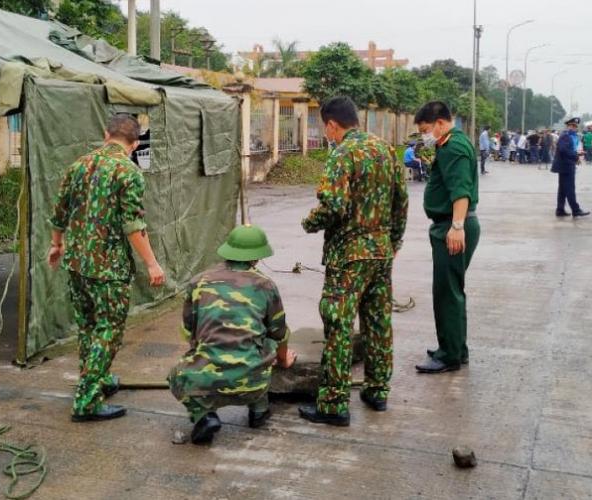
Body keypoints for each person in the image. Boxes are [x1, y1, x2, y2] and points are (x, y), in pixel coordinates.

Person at [49, 114, 166, 422]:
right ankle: (87, 401)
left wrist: (56, 244)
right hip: (107, 269)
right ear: (135, 143)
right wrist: (152, 263)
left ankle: (95, 380)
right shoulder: (129, 173)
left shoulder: (78, 165)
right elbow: (133, 224)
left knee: (88, 326)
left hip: (76, 262)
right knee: (108, 330)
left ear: (106, 134)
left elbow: (59, 211)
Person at [299, 96, 408, 426]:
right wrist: (393, 241)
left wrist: (310, 222)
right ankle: (377, 391)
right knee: (377, 322)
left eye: (325, 128)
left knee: (339, 325)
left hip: (348, 257)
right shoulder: (386, 149)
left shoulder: (341, 154)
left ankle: (333, 404)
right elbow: (400, 201)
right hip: (380, 252)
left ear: (333, 124)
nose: (326, 134)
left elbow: (333, 206)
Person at [168, 225, 297, 444]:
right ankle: (259, 410)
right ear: (257, 257)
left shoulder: (198, 282)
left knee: (176, 376)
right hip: (252, 381)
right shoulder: (266, 286)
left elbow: (188, 331)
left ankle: (203, 416)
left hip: (205, 380)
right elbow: (279, 333)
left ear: (227, 251)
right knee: (265, 343)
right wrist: (283, 359)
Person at [412, 101, 480, 374]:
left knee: (447, 293)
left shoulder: (453, 147)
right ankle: (455, 348)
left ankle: (449, 355)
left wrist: (457, 226)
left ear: (441, 123)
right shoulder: (455, 142)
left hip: (452, 227)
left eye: (427, 129)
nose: (425, 135)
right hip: (451, 225)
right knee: (452, 290)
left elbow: (461, 190)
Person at [551, 117, 590, 218]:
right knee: (570, 189)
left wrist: (577, 154)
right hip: (566, 165)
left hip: (566, 164)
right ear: (568, 126)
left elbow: (569, 150)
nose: (574, 128)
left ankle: (560, 210)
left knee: (563, 189)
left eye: (575, 126)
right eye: (572, 126)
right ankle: (576, 210)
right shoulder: (565, 136)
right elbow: (564, 150)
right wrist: (575, 156)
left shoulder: (571, 136)